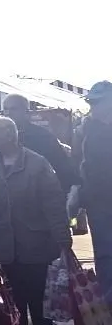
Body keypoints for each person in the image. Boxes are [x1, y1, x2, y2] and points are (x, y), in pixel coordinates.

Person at [0, 117, 71, 325]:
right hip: (5, 249)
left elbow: (54, 204)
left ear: (9, 135)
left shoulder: (37, 164)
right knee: (13, 305)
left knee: (39, 304)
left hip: (36, 246)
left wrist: (63, 237)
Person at [70, 80, 112, 302]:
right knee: (105, 258)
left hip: (101, 202)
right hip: (100, 205)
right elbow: (83, 167)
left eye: (97, 102)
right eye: (91, 102)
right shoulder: (88, 130)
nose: (93, 107)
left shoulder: (91, 131)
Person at [0, 94, 80, 193]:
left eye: (13, 109)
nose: (8, 113)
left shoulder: (42, 137)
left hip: (36, 194)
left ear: (26, 112)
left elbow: (61, 167)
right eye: (5, 109)